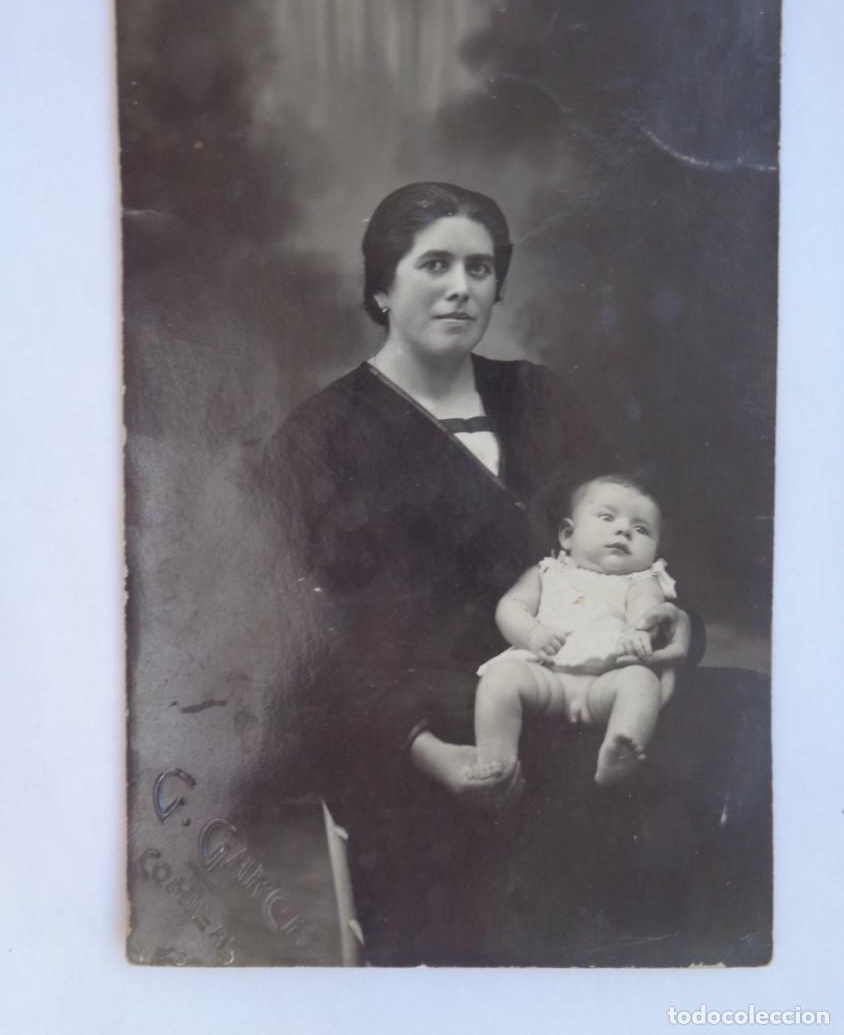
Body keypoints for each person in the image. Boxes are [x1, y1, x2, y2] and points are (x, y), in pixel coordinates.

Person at [258, 181, 696, 964]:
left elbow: (633, 544)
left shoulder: (537, 396)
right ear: (382, 288)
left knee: (740, 740)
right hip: (436, 730)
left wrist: (672, 626)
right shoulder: (320, 438)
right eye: (435, 265)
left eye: (481, 269)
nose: (462, 288)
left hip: (592, 686)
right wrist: (428, 750)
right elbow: (319, 645)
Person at [473, 474, 691, 788]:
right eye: (606, 517)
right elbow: (511, 606)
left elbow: (647, 611)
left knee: (641, 682)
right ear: (567, 535)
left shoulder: (640, 582)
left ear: (655, 552)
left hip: (602, 684)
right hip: (545, 676)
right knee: (500, 679)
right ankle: (496, 760)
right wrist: (531, 633)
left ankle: (619, 747)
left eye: (641, 529)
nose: (624, 530)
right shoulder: (547, 572)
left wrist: (639, 632)